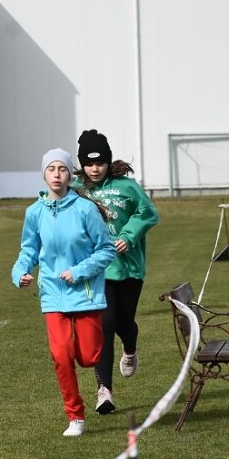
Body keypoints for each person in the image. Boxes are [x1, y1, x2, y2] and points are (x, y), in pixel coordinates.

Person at [11, 148, 116, 437]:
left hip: (85, 294)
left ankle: (91, 368)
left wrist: (79, 271)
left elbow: (106, 249)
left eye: (62, 169)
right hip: (52, 296)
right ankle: (75, 416)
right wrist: (18, 272)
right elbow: (28, 250)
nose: (56, 174)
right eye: (51, 169)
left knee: (88, 356)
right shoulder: (34, 212)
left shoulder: (85, 209)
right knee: (61, 354)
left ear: (71, 174)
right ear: (44, 174)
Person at [72, 130, 160, 416]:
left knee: (124, 322)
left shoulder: (127, 187)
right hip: (98, 269)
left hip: (130, 268)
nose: (95, 169)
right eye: (89, 163)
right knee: (105, 324)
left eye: (100, 163)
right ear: (82, 164)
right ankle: (104, 391)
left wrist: (129, 235)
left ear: (108, 162)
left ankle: (131, 346)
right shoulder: (76, 190)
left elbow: (148, 213)